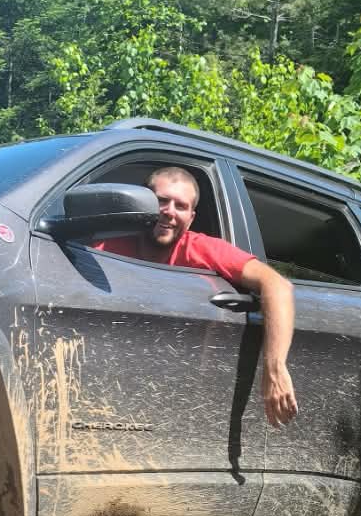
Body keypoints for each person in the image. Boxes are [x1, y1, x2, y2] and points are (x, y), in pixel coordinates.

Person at [87, 165, 299, 428]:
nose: (169, 212)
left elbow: (277, 285)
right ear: (144, 203)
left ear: (191, 217)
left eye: (181, 206)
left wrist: (275, 369)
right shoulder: (108, 248)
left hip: (189, 388)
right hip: (118, 374)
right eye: (161, 201)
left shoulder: (202, 249)